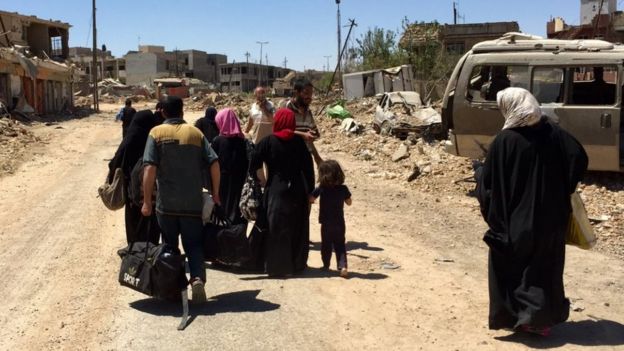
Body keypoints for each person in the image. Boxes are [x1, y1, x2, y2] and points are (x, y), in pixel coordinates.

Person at [476, 87, 588, 336]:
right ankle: (541, 321)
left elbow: (488, 186)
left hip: (516, 221)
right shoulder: (554, 133)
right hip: (552, 219)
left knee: (514, 265)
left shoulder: (504, 141)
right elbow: (579, 158)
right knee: (545, 266)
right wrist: (563, 187)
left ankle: (520, 318)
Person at [141, 96, 222, 302]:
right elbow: (214, 162)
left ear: (163, 113)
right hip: (192, 204)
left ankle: (173, 287)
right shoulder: (196, 133)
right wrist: (216, 193)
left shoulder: (156, 133)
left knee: (169, 246)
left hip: (166, 205)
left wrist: (146, 201)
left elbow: (150, 167)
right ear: (182, 112)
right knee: (194, 244)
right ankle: (196, 280)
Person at [250, 108, 314, 277]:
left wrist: (259, 181)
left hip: (275, 190)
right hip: (297, 191)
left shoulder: (268, 142)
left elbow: (253, 163)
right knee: (296, 227)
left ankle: (276, 266)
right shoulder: (299, 143)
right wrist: (311, 192)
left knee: (276, 228)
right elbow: (308, 169)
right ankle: (296, 264)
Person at [107, 109, 163, 244]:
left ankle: (135, 254)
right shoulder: (154, 140)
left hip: (133, 192)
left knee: (134, 223)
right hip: (154, 191)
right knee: (152, 222)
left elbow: (115, 163)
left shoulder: (129, 141)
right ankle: (151, 253)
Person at [309, 160, 352, 278]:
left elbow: (311, 199)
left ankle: (326, 265)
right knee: (340, 244)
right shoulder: (343, 188)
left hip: (326, 222)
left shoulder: (322, 188)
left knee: (326, 245)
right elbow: (349, 202)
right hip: (339, 222)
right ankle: (343, 266)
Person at [211, 108, 248, 224]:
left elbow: (211, 163)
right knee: (237, 210)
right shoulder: (243, 141)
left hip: (221, 181)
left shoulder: (217, 141)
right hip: (240, 181)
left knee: (223, 211)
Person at [286, 78, 323, 165]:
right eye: (306, 93)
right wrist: (303, 134)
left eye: (311, 94)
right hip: (288, 156)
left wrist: (316, 156)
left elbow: (313, 135)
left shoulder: (308, 112)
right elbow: (281, 130)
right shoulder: (287, 107)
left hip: (305, 155)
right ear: (296, 93)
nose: (309, 97)